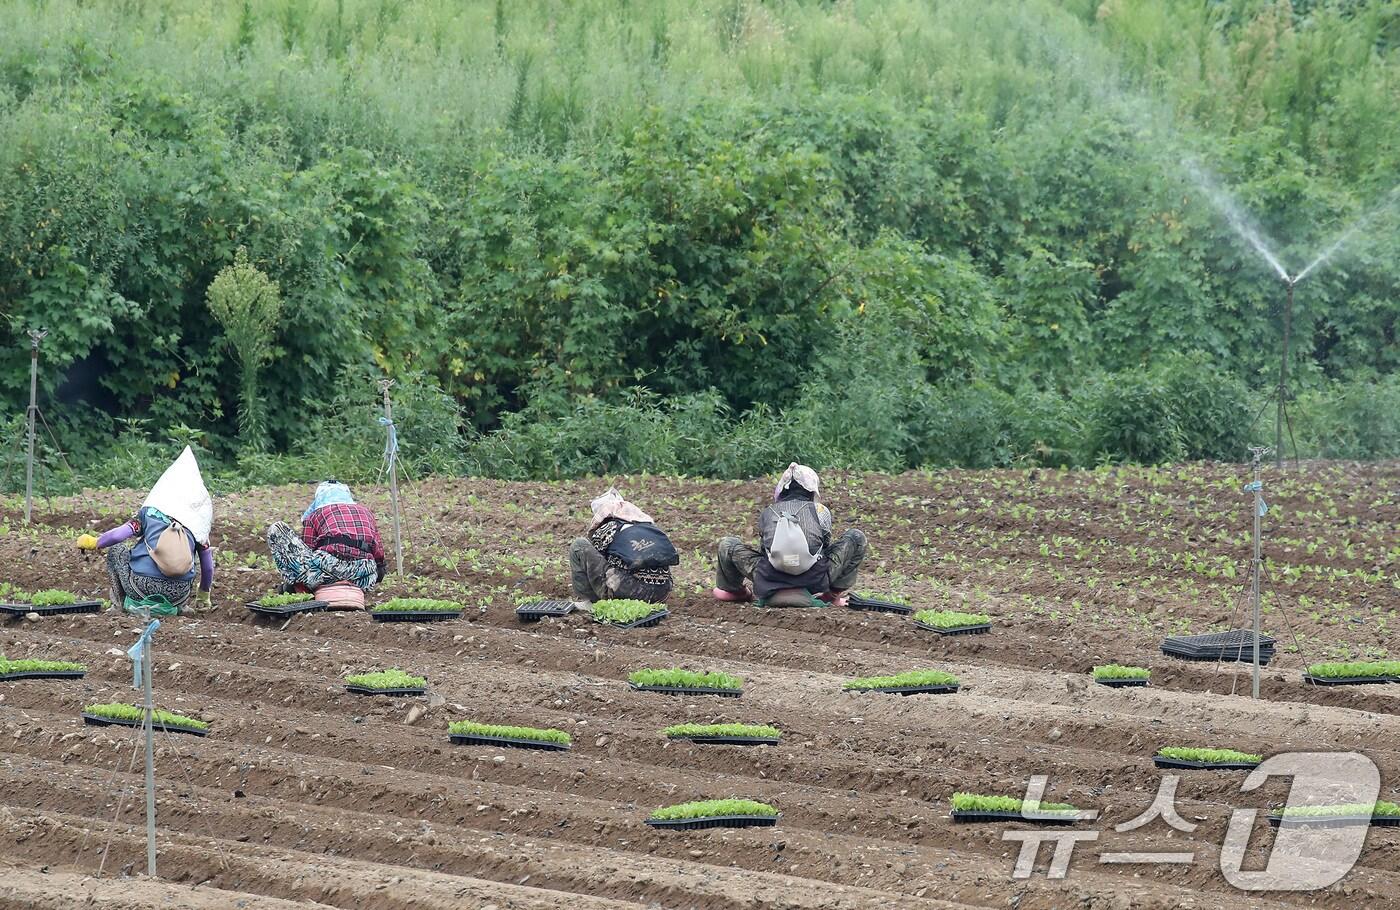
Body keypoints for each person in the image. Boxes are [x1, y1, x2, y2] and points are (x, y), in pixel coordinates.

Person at [713, 462, 866, 607]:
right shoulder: (820, 511)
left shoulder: (768, 512)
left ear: (782, 490)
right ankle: (831, 595)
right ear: (812, 489)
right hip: (816, 580)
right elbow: (824, 546)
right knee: (856, 537)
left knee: (728, 544)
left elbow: (764, 550)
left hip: (770, 579)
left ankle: (735, 591)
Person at [78, 507, 214, 613]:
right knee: (189, 557)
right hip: (178, 595)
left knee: (117, 550)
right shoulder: (197, 524)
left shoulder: (149, 512)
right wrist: (203, 597)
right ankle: (181, 607)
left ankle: (119, 605)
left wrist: (95, 542)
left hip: (140, 589)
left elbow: (117, 536)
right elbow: (207, 567)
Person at [266, 482, 385, 598]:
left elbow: (308, 548)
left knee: (277, 528)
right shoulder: (367, 513)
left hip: (325, 573)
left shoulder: (316, 514)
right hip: (363, 578)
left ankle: (300, 586)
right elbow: (378, 554)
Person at [569, 488, 677, 604]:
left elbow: (594, 559)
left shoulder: (609, 527)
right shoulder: (648, 527)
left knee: (579, 545)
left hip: (630, 593)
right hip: (662, 594)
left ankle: (588, 602)